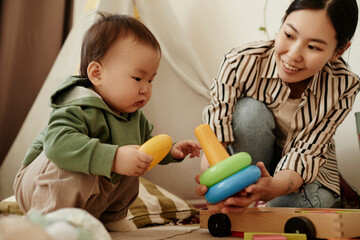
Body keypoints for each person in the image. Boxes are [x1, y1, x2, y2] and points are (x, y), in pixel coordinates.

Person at [13, 12, 201, 230]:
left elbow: (148, 146)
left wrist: (171, 151)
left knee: (133, 159)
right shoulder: (78, 105)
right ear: (97, 74)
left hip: (89, 194)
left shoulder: (132, 116)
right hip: (39, 186)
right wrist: (114, 158)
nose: (146, 89)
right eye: (138, 78)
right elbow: (57, 145)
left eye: (151, 80)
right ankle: (53, 221)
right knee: (90, 162)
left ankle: (110, 216)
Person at [196, 0, 359, 214]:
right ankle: (243, 200)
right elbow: (216, 137)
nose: (293, 55)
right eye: (289, 35)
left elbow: (306, 153)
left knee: (287, 208)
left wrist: (272, 188)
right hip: (249, 166)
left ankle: (265, 203)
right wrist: (216, 184)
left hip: (302, 178)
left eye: (313, 47)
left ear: (339, 51)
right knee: (248, 111)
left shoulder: (343, 85)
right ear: (283, 22)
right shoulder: (240, 62)